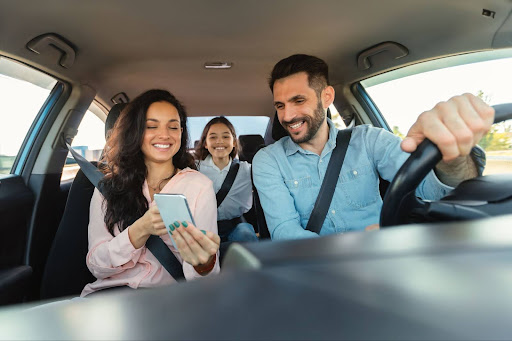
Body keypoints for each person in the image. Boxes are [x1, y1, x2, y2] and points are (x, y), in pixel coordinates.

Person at [252, 54, 494, 240]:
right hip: (315, 268)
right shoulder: (269, 160)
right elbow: (285, 232)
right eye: (280, 105)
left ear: (326, 97)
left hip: (381, 261)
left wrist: (449, 155)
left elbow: (433, 194)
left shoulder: (369, 140)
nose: (287, 115)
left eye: (298, 100)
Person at [81, 89, 220, 297]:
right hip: (109, 296)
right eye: (151, 126)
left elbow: (206, 281)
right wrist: (140, 230)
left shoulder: (199, 186)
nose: (164, 135)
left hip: (168, 300)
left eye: (173, 127)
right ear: (135, 131)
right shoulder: (107, 187)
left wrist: (204, 264)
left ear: (181, 132)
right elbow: (96, 266)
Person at [195, 116, 259, 243]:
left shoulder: (247, 169)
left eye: (225, 137)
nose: (220, 141)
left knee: (246, 235)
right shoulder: (194, 169)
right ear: (205, 144)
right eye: (213, 137)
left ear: (234, 142)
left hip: (236, 225)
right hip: (204, 226)